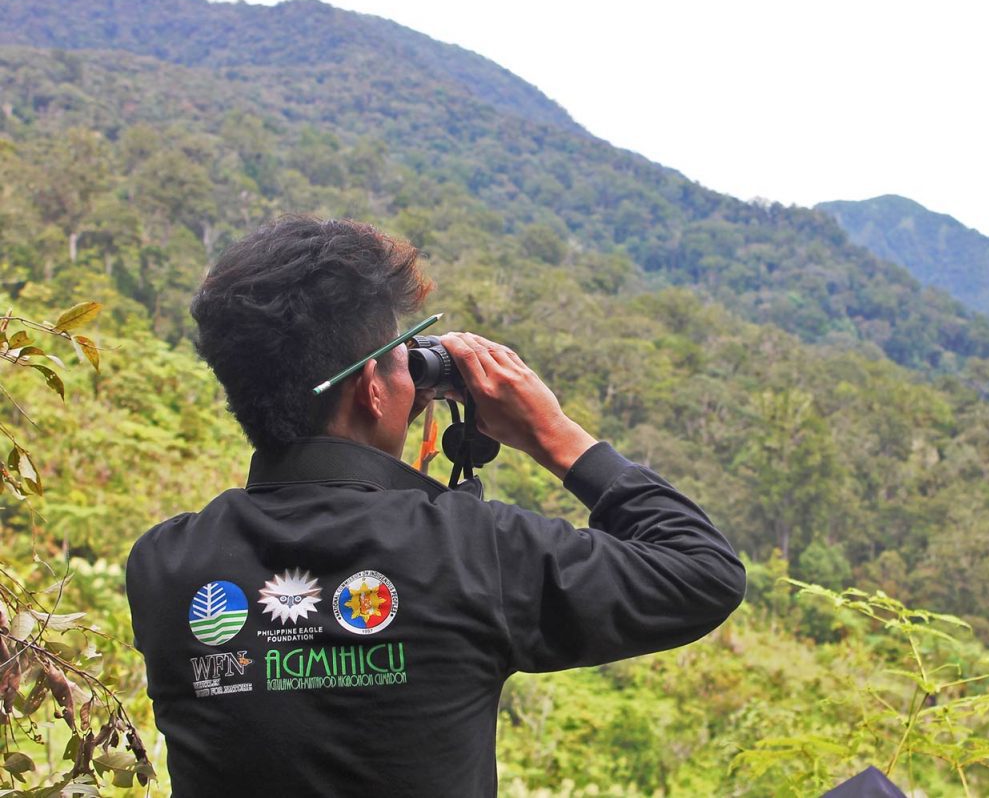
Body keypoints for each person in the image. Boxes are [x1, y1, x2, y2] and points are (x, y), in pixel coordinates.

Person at [125, 215, 746, 797]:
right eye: (403, 355)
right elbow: (702, 572)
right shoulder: (472, 552)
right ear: (372, 390)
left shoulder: (163, 565)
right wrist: (550, 432)